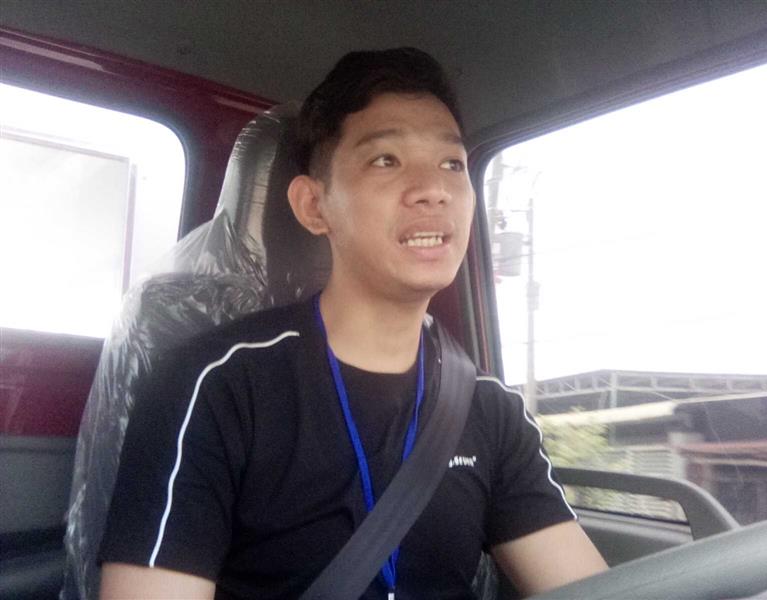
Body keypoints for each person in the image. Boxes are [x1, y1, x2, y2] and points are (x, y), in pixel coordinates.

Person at [98, 47, 607, 599]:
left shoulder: (489, 410)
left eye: (452, 164)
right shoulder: (215, 386)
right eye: (386, 160)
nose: (433, 188)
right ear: (314, 206)